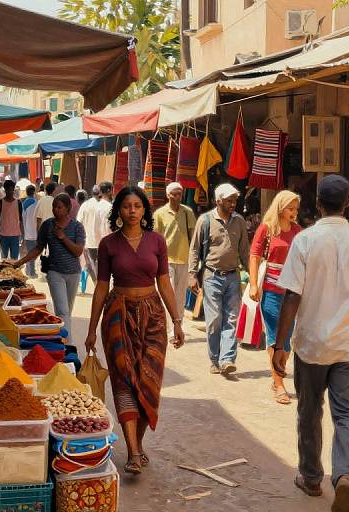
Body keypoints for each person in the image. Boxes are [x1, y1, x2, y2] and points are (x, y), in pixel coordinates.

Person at [273, 175, 349, 512]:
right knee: (348, 414)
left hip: (312, 345)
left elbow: (291, 296)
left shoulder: (305, 240)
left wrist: (279, 345)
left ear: (317, 203)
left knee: (309, 410)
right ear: (348, 204)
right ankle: (345, 475)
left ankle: (310, 477)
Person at [85, 186, 185, 475]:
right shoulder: (107, 244)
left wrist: (177, 321)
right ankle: (132, 451)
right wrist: (91, 329)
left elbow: (164, 282)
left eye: (137, 206)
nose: (132, 211)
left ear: (144, 211)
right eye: (127, 206)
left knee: (148, 381)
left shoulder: (157, 241)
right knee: (123, 379)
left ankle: (137, 445)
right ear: (119, 210)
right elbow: (102, 286)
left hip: (153, 316)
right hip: (117, 315)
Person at [188, 183, 249, 376]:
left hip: (233, 276)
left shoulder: (239, 221)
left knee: (232, 319)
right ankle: (214, 359)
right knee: (214, 320)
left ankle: (227, 359)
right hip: (211, 276)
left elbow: (245, 252)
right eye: (229, 201)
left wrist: (253, 278)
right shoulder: (205, 221)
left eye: (235, 200)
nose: (233, 204)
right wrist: (191, 274)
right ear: (218, 201)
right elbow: (195, 248)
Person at [248, 190, 301, 405]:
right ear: (280, 208)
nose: (294, 213)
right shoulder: (267, 229)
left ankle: (276, 376)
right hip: (270, 291)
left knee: (286, 340)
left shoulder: (298, 231)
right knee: (273, 337)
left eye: (296, 209)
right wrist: (253, 284)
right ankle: (279, 383)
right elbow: (254, 256)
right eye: (291, 208)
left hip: (291, 295)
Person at [15, 193, 85, 340]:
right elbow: (38, 248)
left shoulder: (77, 227)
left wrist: (62, 237)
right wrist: (21, 262)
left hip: (73, 273)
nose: (55, 210)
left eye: (59, 207)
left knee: (67, 311)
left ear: (68, 208)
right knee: (62, 311)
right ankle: (67, 344)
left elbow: (78, 251)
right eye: (54, 207)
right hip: (55, 273)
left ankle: (59, 337)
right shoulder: (47, 225)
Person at [153, 182, 196, 342]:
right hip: (166, 261)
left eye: (180, 194)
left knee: (180, 296)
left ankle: (177, 327)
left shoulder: (188, 213)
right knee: (167, 294)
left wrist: (194, 261)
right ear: (168, 195)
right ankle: (168, 328)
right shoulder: (159, 214)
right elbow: (155, 238)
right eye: (174, 194)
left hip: (184, 260)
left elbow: (193, 238)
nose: (178, 197)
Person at [0, 180, 23, 260]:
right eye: (8, 190)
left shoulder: (18, 203)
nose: (10, 192)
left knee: (14, 260)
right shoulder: (0, 203)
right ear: (5, 190)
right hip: (3, 236)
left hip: (15, 236)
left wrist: (23, 234)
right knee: (4, 259)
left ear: (13, 190)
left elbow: (21, 219)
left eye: (11, 190)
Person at [77, 185, 101, 283]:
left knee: (90, 263)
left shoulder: (85, 205)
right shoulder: (104, 205)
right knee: (98, 265)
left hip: (88, 240)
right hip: (101, 241)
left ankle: (94, 282)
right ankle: (98, 284)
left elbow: (78, 222)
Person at [22, 185, 38, 278]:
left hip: (27, 232)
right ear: (34, 192)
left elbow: (22, 219)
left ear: (26, 192)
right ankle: (31, 271)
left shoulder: (24, 204)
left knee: (29, 252)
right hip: (35, 233)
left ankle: (29, 269)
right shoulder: (37, 203)